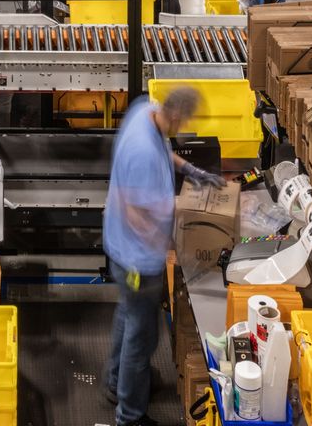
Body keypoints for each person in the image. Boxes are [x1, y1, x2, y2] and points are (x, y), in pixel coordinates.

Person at [103, 87, 224, 426]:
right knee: (142, 339)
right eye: (184, 122)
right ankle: (129, 415)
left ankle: (116, 382)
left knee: (128, 317)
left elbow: (164, 151)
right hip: (137, 260)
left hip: (121, 248)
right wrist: (184, 224)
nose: (183, 128)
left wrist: (192, 171)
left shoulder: (145, 112)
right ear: (174, 115)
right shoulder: (142, 151)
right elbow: (135, 211)